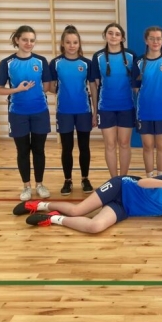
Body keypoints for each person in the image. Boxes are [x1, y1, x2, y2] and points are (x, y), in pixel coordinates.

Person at [13, 172, 162, 233]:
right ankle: (39, 205)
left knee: (95, 227)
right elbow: (142, 183)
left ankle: (52, 219)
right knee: (77, 210)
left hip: (124, 208)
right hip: (121, 187)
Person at [0, 25, 52, 201]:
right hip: (17, 113)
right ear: (17, 40)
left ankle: (40, 184)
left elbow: (47, 86)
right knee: (23, 150)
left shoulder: (41, 61)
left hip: (40, 112)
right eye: (25, 40)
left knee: (39, 150)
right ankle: (26, 186)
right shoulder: (7, 63)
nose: (29, 43)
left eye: (32, 40)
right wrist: (17, 90)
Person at [49, 25, 95, 196]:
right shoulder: (55, 63)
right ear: (63, 43)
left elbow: (93, 87)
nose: (71, 45)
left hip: (83, 111)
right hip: (64, 112)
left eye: (75, 42)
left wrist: (95, 111)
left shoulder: (87, 63)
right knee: (66, 148)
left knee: (84, 146)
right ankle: (67, 180)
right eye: (68, 42)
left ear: (79, 44)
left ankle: (85, 178)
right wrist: (65, 91)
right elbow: (51, 86)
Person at [92, 23, 137, 178]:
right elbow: (94, 85)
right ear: (105, 36)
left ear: (122, 38)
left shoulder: (131, 56)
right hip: (106, 108)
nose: (113, 36)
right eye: (110, 33)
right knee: (110, 145)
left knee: (124, 144)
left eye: (117, 34)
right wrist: (95, 111)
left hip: (126, 107)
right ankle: (114, 180)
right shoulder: (98, 57)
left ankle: (123, 179)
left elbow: (137, 84)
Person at [132, 26, 162, 177]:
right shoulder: (139, 62)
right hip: (144, 111)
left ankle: (161, 178)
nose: (155, 41)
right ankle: (150, 179)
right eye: (152, 38)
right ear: (146, 40)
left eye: (158, 38)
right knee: (148, 146)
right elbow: (136, 87)